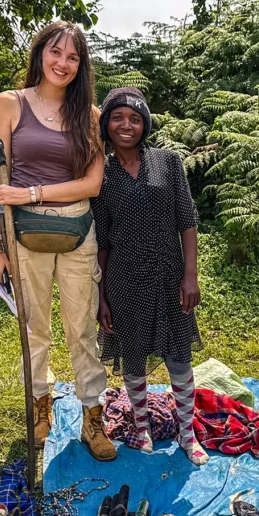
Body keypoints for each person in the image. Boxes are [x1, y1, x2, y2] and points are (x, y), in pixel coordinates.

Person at [0, 21, 115, 462]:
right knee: (34, 328)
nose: (63, 63)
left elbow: (93, 184)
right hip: (24, 235)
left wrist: (32, 193)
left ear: (82, 65)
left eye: (73, 57)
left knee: (82, 329)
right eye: (55, 52)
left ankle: (92, 416)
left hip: (77, 231)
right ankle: (40, 406)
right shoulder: (10, 103)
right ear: (40, 53)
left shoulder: (90, 116)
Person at [91, 87, 209, 465]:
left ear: (145, 125)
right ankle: (141, 427)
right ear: (106, 125)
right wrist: (101, 297)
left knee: (180, 357)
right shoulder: (101, 175)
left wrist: (190, 275)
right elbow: (102, 241)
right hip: (124, 279)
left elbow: (187, 221)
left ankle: (187, 434)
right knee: (133, 355)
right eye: (117, 118)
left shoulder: (167, 162)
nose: (126, 125)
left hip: (170, 275)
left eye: (135, 119)